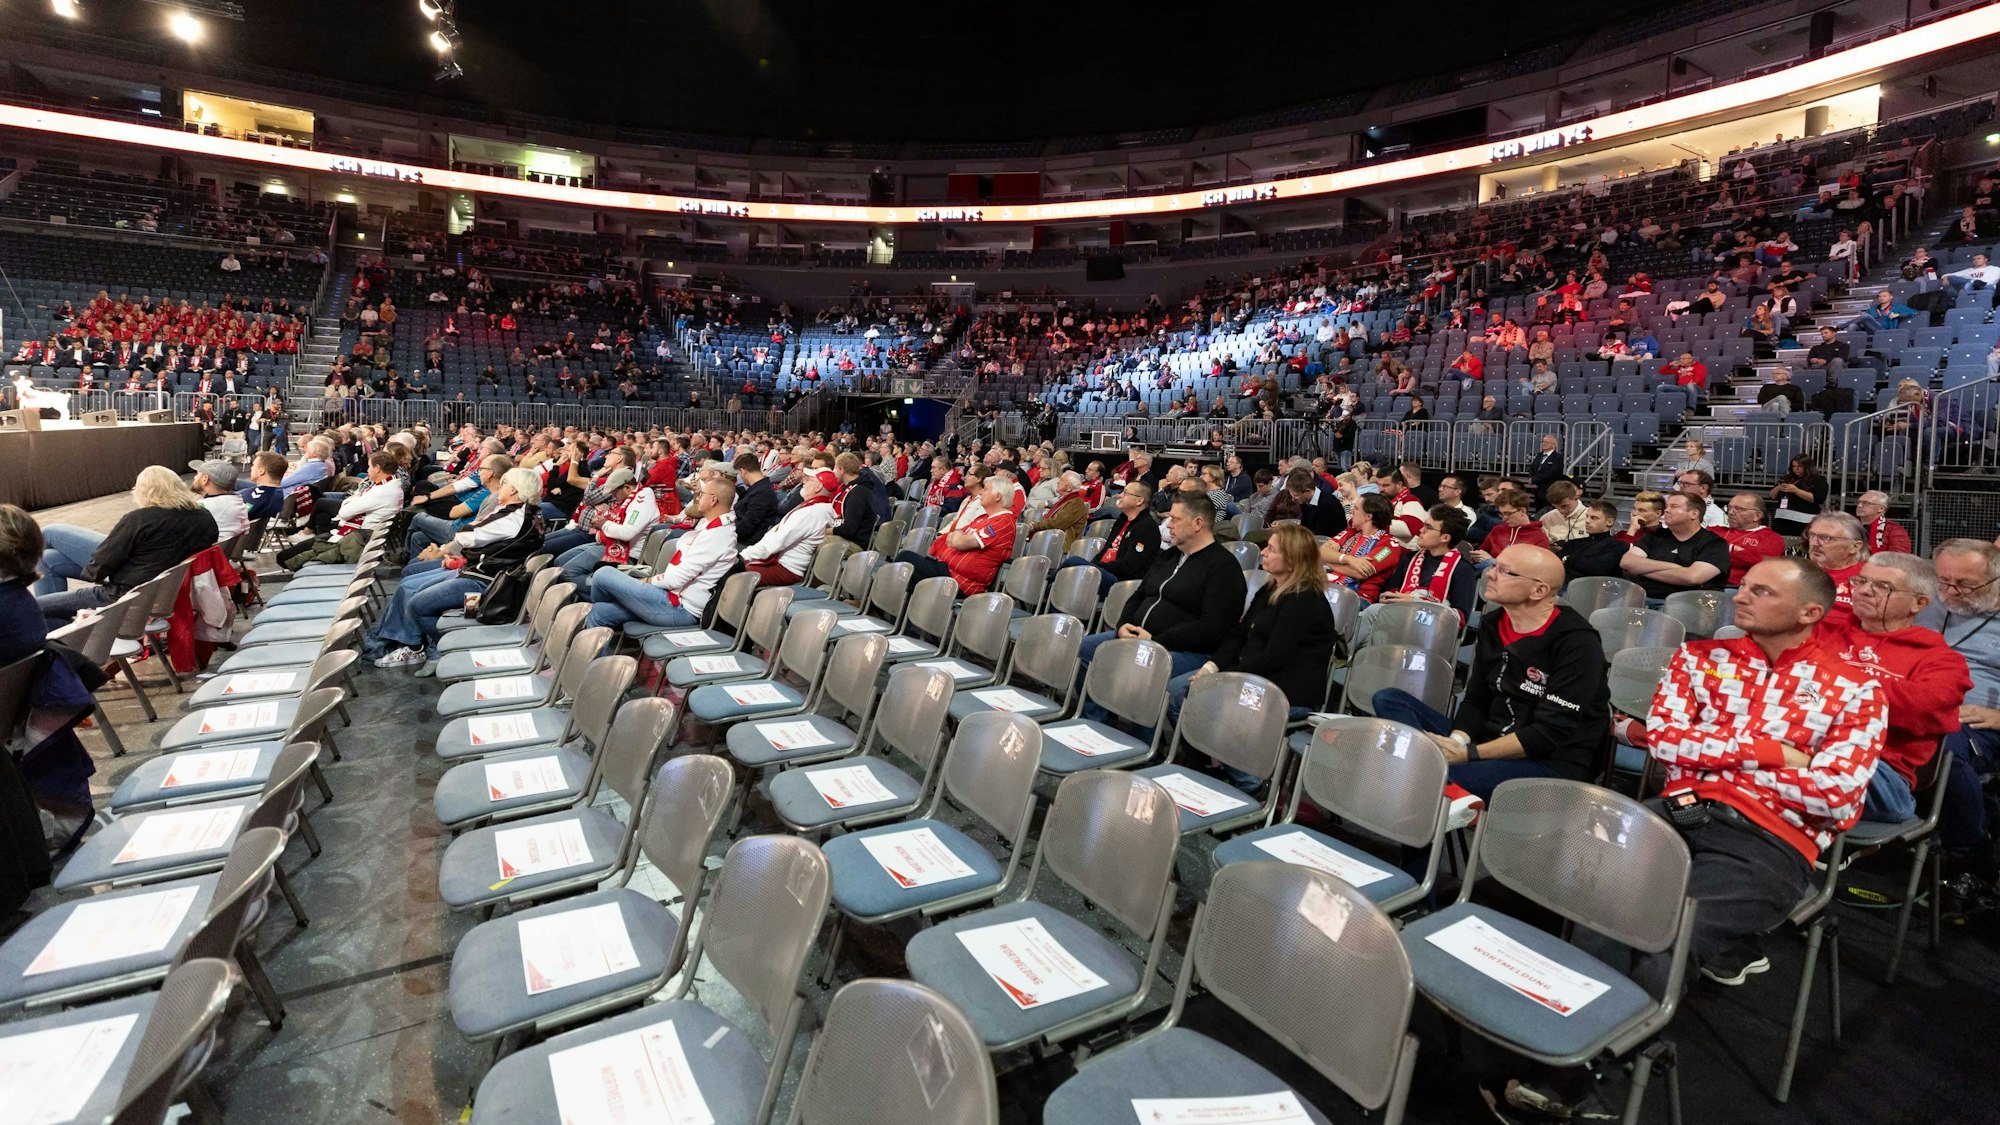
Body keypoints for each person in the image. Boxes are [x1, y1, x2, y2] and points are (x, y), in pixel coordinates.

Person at [1606, 557, 1885, 996]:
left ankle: (1608, 1055)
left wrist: (1713, 762)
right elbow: (1663, 741)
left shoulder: (1854, 688)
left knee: (1666, 938)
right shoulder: (1697, 658)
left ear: (1809, 612)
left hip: (1768, 839)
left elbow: (1836, 794)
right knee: (1588, 898)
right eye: (1745, 586)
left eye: (1763, 591)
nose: (1741, 596)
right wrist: (1773, 754)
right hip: (1680, 809)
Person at [1373, 544, 1610, 800]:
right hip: (1486, 741)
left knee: (1431, 776)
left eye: (1505, 571)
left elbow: (1548, 733)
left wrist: (1469, 755)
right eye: (1495, 566)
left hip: (1548, 761)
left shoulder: (1577, 642)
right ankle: (1437, 777)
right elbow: (1477, 698)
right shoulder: (1493, 623)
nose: (1490, 574)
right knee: (1388, 698)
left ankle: (1431, 778)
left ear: (1538, 590)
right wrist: (1457, 743)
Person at [1075, 490, 1246, 720]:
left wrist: (1157, 641)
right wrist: (1124, 624)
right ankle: (1096, 719)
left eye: (1175, 519)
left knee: (1144, 665)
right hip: (1141, 637)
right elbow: (1139, 595)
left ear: (1198, 523)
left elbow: (1212, 627)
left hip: (1185, 650)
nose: (1168, 526)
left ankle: (1140, 741)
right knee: (1088, 648)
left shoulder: (1223, 567)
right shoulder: (1170, 555)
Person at [1830, 553, 1971, 824]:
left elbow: (1921, 708)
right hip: (1807, 750)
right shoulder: (1822, 635)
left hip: (1881, 772)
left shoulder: (1941, 661)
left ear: (1919, 603)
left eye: (1883, 587)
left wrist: (1827, 683)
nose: (1863, 591)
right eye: (1860, 581)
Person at [368, 467, 546, 671]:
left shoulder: (513, 516)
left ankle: (439, 651)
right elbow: (488, 543)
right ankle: (416, 646)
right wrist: (462, 556)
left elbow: (466, 535)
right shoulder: (529, 512)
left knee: (418, 605)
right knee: (412, 587)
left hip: (486, 585)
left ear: (514, 490)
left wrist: (456, 549)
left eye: (504, 484)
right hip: (484, 572)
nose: (500, 488)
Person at [1166, 525, 1336, 732]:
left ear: (1293, 561)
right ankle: (1211, 757)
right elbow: (1239, 635)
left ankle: (1218, 759)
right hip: (1252, 676)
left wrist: (1222, 679)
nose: (1263, 552)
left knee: (1187, 699)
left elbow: (1274, 657)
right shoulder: (1270, 588)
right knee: (1176, 691)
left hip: (1284, 690)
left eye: (1272, 549)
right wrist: (1211, 667)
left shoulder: (1304, 600)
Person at [33, 465, 217, 626]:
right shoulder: (203, 517)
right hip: (159, 586)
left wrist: (96, 574)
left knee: (36, 606)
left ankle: (57, 635)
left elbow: (99, 567)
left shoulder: (140, 519)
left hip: (123, 595)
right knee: (49, 558)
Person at [1921, 539, 2000, 907]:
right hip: (1913, 704)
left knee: (1945, 752)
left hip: (1973, 721)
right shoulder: (1929, 603)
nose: (1950, 593)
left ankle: (1971, 853)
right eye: (1943, 581)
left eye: (1965, 585)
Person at [587, 477, 739, 633]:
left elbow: (675, 579)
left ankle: (616, 599)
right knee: (598, 612)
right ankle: (601, 655)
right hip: (671, 597)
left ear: (713, 500)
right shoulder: (714, 526)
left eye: (702, 494)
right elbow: (690, 511)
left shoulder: (717, 535)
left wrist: (645, 581)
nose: (698, 497)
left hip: (680, 609)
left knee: (603, 574)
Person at [1351, 506, 1478, 650]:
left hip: (1432, 628)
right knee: (1376, 629)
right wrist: (1390, 597)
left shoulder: (1463, 569)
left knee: (1373, 613)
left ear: (1445, 537)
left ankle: (1340, 654)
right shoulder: (1408, 558)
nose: (1420, 531)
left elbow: (1459, 618)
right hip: (1398, 617)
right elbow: (1391, 590)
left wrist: (1415, 603)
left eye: (1428, 527)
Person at [276, 452, 406, 570]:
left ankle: (312, 576)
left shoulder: (382, 491)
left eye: (369, 466)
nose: (367, 470)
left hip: (357, 538)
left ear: (377, 468)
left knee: (283, 558)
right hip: (356, 532)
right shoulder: (389, 485)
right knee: (322, 516)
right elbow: (354, 501)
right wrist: (355, 499)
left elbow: (345, 512)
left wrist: (354, 499)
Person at [893, 475, 1017, 596]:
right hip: (949, 570)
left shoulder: (1003, 523)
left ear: (998, 496)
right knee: (909, 574)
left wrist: (959, 537)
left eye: (985, 489)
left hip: (962, 582)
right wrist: (959, 537)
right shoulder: (984, 517)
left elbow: (959, 542)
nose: (981, 493)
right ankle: (902, 612)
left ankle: (891, 610)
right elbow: (952, 537)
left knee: (906, 559)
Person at [1621, 491, 1730, 601]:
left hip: (1687, 604)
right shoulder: (1655, 535)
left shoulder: (1714, 544)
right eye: (1667, 506)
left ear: (1694, 514)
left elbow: (1692, 577)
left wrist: (1640, 569)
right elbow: (1627, 562)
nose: (1666, 510)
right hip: (1642, 598)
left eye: (1674, 507)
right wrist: (1677, 568)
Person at [1057, 480, 1158, 596]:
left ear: (1139, 501)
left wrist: (1098, 567)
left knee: (1073, 562)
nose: (1120, 495)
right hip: (1104, 572)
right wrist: (1093, 565)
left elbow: (1129, 566)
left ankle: (1048, 582)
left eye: (1125, 493)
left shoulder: (1147, 528)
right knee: (1067, 583)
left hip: (1120, 582)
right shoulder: (1122, 520)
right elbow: (1105, 550)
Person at [741, 469, 839, 586]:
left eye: (809, 479)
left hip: (786, 568)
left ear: (818, 487)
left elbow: (777, 542)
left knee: (733, 575)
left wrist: (743, 557)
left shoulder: (812, 512)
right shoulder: (816, 508)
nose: (804, 481)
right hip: (784, 564)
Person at [1806, 511, 1868, 631]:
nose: (1814, 543)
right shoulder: (1796, 572)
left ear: (1854, 546)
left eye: (1825, 538)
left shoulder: (1870, 579)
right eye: (1812, 535)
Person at [1469, 485, 1550, 564]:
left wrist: (1493, 561)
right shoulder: (1498, 530)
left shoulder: (1540, 539)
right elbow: (1480, 553)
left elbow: (1531, 570)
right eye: (1502, 514)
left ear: (1522, 511)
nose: (1504, 518)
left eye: (1508, 514)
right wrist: (1477, 557)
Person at [1718, 493, 1785, 586]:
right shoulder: (1715, 530)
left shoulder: (1771, 538)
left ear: (1757, 516)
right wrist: (1736, 550)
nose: (1730, 512)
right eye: (1729, 507)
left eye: (1738, 509)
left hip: (1739, 588)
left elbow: (1760, 561)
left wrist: (1720, 550)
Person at [1558, 499, 1630, 580]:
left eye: (1594, 518)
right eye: (1587, 516)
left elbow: (1596, 568)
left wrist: (1567, 559)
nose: (1587, 521)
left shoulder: (1618, 546)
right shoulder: (1573, 543)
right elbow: (1556, 562)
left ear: (1609, 522)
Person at [829, 451, 888, 549]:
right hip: (846, 537)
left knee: (815, 540)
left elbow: (848, 530)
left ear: (842, 469)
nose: (833, 472)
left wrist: (822, 531)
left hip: (855, 543)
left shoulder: (858, 493)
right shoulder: (849, 486)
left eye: (834, 468)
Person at [189, 459, 249, 544]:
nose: (194, 477)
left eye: (198, 474)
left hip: (209, 554)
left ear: (205, 479)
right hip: (226, 552)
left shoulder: (204, 506)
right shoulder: (237, 501)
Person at [1767, 455, 1826, 536]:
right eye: (1794, 466)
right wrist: (1778, 488)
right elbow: (1772, 496)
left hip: (1804, 520)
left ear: (1807, 466)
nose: (1796, 469)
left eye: (1799, 466)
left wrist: (1796, 491)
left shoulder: (1818, 480)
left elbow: (1818, 499)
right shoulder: (1786, 478)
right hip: (1782, 519)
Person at [1028, 470, 1089, 546]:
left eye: (1061, 480)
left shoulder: (1076, 503)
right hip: (1052, 540)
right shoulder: (1066, 500)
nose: (1057, 482)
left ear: (1069, 487)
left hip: (1060, 545)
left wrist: (1036, 526)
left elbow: (1057, 523)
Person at [731, 454, 780, 548]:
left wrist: (726, 536)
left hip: (746, 543)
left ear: (743, 471)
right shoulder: (759, 487)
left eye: (738, 474)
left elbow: (746, 526)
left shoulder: (762, 493)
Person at [1855, 491, 1913, 555]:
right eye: (1858, 502)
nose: (1859, 506)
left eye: (1866, 503)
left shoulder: (1894, 530)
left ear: (1881, 508)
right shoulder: (1850, 524)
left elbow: (1898, 557)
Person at [1538, 480, 1588, 544]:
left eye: (1564, 506)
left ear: (1576, 497)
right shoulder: (1546, 519)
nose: (1561, 510)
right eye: (1556, 506)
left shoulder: (1591, 518)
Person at [1527, 433, 1565, 504]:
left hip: (1548, 489)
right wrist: (1531, 478)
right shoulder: (1539, 455)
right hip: (1537, 488)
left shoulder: (1557, 458)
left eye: (1546, 442)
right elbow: (1532, 467)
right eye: (1543, 442)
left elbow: (1552, 473)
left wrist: (1535, 479)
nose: (1543, 444)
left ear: (1554, 445)